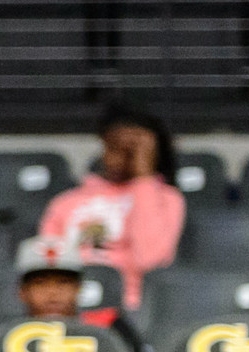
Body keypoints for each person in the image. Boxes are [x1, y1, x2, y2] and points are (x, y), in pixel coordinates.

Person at [35, 102, 183, 311]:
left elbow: (150, 260)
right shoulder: (65, 202)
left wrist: (144, 179)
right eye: (114, 145)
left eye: (132, 149)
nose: (121, 155)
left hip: (130, 308)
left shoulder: (166, 199)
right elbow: (47, 264)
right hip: (69, 307)